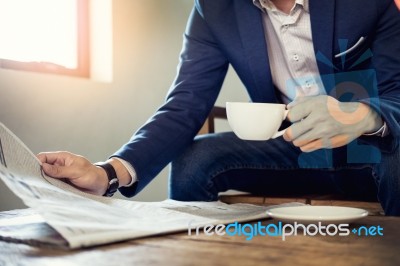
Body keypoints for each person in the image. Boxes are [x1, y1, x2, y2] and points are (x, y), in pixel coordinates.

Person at [37, 0, 400, 215]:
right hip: (293, 149)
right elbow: (185, 103)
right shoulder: (214, 8)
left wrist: (364, 117)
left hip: (373, 151)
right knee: (196, 159)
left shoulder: (369, 2)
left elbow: (397, 95)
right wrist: (108, 174)